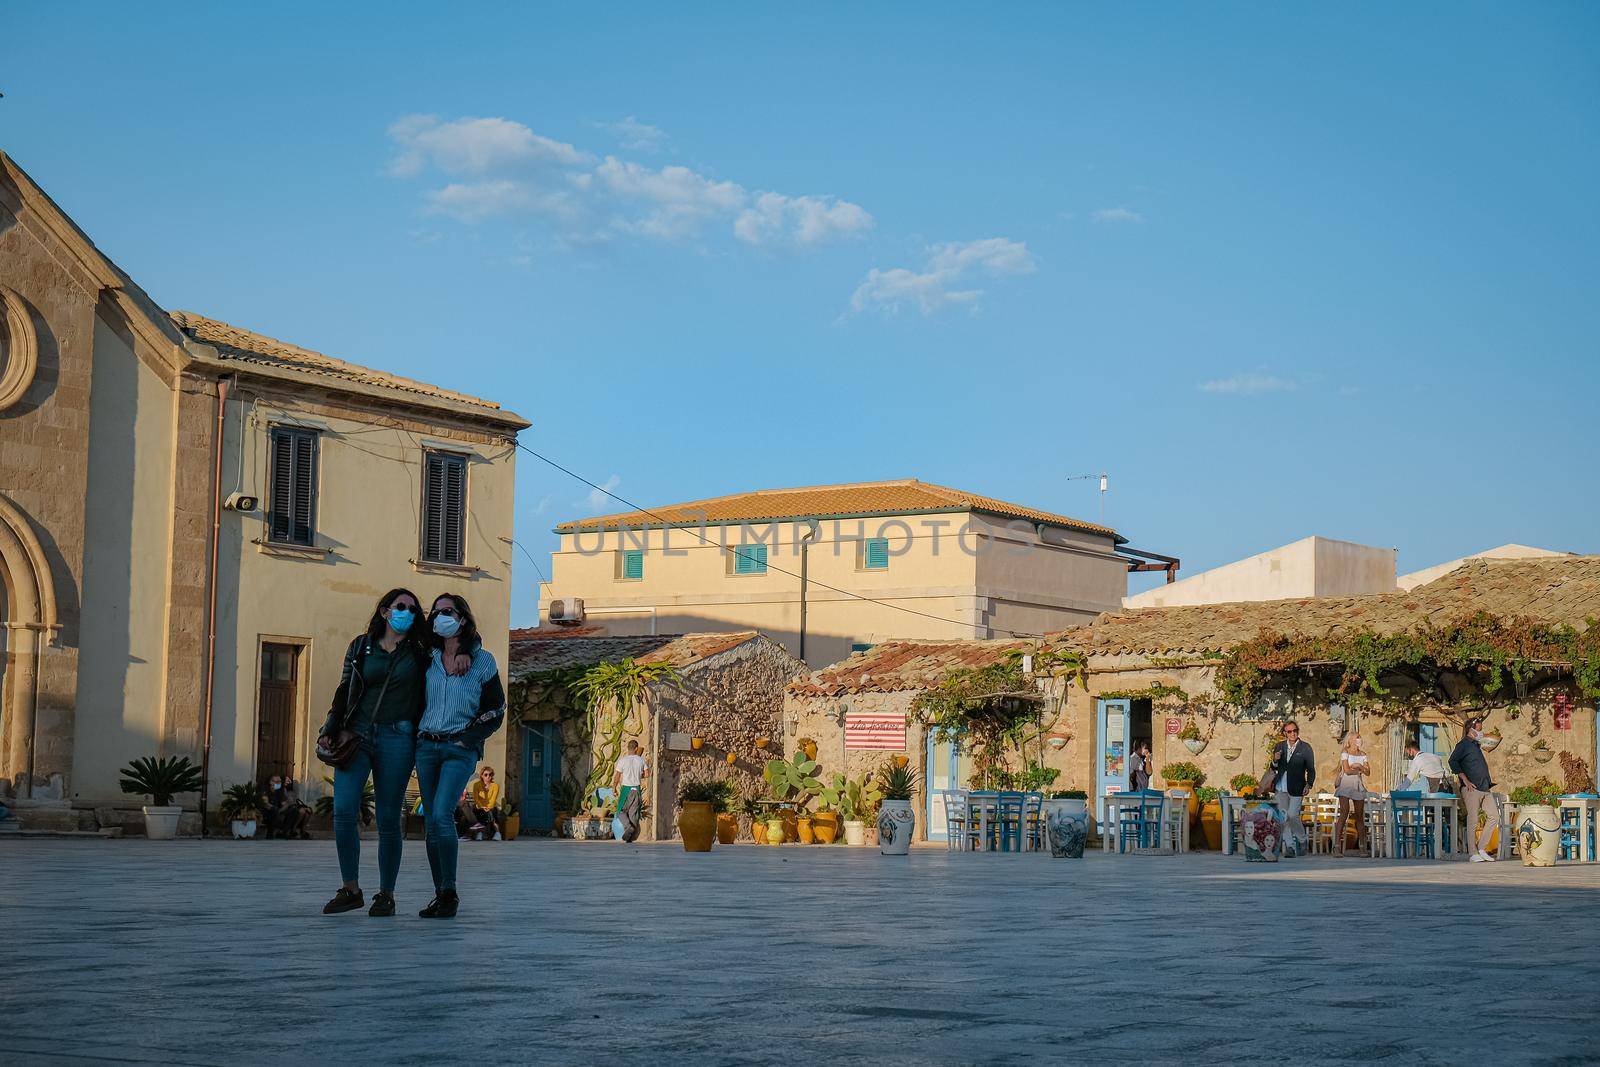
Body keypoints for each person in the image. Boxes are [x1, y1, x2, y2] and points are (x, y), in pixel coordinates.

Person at [317, 588, 431, 917]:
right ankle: (350, 888)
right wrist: (329, 728)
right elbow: (344, 689)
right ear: (384, 611)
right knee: (343, 811)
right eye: (400, 607)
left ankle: (386, 894)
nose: (406, 612)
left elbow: (465, 637)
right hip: (357, 734)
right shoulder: (360, 646)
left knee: (388, 820)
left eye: (412, 608)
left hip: (399, 736)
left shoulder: (420, 652)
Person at [414, 593, 506, 919]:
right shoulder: (428, 657)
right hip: (426, 746)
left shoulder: (483, 661)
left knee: (441, 815)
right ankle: (440, 893)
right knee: (431, 822)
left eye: (448, 612)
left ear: (462, 618)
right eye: (436, 613)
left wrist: (469, 740)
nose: (440, 617)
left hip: (458, 748)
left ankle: (450, 892)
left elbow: (496, 709)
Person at [1449, 717, 1498, 862]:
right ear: (1471, 730)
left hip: (1484, 787)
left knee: (1494, 816)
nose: (1481, 732)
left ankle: (1481, 848)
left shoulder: (1476, 745)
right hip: (1472, 788)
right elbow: (1452, 761)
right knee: (1473, 819)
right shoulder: (1463, 745)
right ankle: (1472, 853)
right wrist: (1465, 780)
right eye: (1479, 729)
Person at [1267, 721, 1315, 857]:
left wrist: (1309, 784)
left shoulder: (1305, 748)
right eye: (1289, 731)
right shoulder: (1279, 746)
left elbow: (1311, 769)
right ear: (1285, 733)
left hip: (1297, 787)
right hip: (1280, 787)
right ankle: (1290, 847)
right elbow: (1273, 768)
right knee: (1283, 818)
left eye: (1295, 730)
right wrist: (1275, 760)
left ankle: (1302, 839)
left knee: (1293, 815)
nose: (1293, 733)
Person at [1332, 733, 1370, 857]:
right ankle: (1337, 847)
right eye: (1357, 737)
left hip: (1357, 783)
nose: (1359, 739)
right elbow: (1346, 770)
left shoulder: (1363, 754)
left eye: (1360, 736)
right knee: (1344, 813)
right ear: (1351, 739)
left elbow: (1368, 772)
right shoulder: (1345, 752)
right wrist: (1359, 769)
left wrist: (1359, 766)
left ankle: (1363, 847)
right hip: (1346, 783)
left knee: (1359, 816)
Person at [613, 740, 649, 842]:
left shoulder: (623, 760)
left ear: (628, 748)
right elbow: (647, 774)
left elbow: (617, 776)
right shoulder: (641, 760)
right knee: (633, 813)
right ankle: (630, 838)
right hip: (636, 789)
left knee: (620, 811)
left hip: (626, 789)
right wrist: (638, 775)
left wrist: (614, 787)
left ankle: (628, 827)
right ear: (636, 748)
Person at [468, 765, 501, 841]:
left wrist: (488, 808)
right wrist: (482, 807)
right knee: (482, 812)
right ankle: (494, 833)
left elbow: (493, 799)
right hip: (479, 806)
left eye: (490, 774)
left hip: (490, 807)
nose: (488, 776)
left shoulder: (495, 786)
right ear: (482, 775)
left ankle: (485, 833)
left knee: (492, 812)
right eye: (485, 775)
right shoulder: (476, 785)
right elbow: (476, 798)